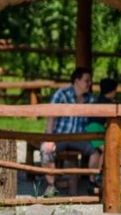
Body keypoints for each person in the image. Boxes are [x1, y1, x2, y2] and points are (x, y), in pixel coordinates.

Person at [40, 68, 95, 196]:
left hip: (80, 138)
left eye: (90, 81)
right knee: (46, 150)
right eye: (86, 81)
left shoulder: (90, 99)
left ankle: (92, 183)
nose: (90, 83)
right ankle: (51, 186)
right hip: (60, 136)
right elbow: (51, 116)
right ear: (77, 81)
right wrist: (49, 138)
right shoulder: (62, 94)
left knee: (97, 150)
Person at [83, 78, 118, 192]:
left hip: (92, 127)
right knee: (106, 150)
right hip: (95, 128)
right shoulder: (109, 104)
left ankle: (94, 177)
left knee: (99, 151)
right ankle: (97, 176)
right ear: (112, 91)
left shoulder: (97, 100)